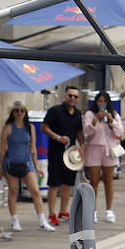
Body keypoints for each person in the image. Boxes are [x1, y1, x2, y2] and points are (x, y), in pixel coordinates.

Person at [0, 100, 53, 231]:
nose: (19, 113)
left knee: (35, 191)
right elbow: (2, 149)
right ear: (13, 113)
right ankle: (14, 220)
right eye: (17, 111)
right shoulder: (8, 128)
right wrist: (1, 167)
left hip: (26, 162)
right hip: (11, 162)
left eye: (22, 111)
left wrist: (36, 167)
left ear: (25, 113)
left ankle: (42, 220)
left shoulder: (30, 128)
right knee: (13, 191)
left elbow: (33, 148)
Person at [41, 86, 84, 225]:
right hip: (56, 152)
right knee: (54, 184)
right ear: (65, 95)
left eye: (75, 96)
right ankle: (51, 214)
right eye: (70, 95)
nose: (72, 98)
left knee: (68, 184)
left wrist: (82, 147)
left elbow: (79, 132)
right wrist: (58, 137)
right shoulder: (55, 111)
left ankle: (63, 211)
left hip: (71, 154)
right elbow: (44, 128)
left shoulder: (78, 114)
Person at [82, 90, 124, 222]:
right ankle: (92, 210)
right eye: (100, 101)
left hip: (109, 150)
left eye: (104, 101)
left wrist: (111, 120)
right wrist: (96, 119)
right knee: (94, 181)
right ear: (96, 102)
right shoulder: (89, 114)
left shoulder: (114, 114)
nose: (102, 103)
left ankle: (109, 210)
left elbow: (120, 131)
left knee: (108, 180)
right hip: (94, 149)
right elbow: (87, 131)